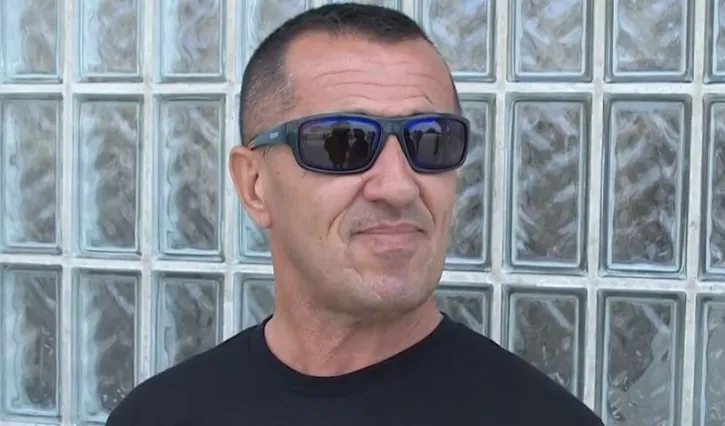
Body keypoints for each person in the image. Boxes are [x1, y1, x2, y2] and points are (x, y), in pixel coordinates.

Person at [105, 3, 605, 425]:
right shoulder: (158, 416)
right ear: (254, 185)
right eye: (343, 142)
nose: (398, 186)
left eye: (431, 140)